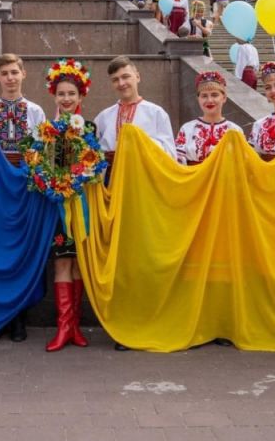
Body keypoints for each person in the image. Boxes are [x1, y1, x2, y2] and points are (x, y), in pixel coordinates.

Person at [93, 55, 176, 351]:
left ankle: (150, 319)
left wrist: (136, 141)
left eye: (126, 77)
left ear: (138, 76)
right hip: (116, 194)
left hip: (146, 195)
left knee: (145, 259)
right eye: (116, 80)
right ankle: (124, 323)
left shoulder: (155, 113)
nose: (122, 83)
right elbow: (99, 156)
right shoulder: (104, 116)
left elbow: (170, 152)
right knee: (121, 259)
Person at [0, 53, 46, 343]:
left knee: (23, 252)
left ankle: (20, 318)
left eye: (15, 72)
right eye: (5, 73)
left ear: (23, 74)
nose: (10, 78)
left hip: (26, 188)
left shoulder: (36, 111)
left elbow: (41, 149)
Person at [43, 58, 95, 352]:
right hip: (56, 207)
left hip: (83, 206)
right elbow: (39, 164)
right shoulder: (46, 130)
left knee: (78, 264)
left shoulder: (89, 128)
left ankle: (75, 326)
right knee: (62, 262)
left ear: (81, 96)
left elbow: (94, 164)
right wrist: (49, 182)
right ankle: (63, 328)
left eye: (71, 94)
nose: (66, 99)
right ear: (54, 96)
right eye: (61, 94)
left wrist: (81, 175)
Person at [176, 71, 243, 165]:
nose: (209, 100)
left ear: (224, 98)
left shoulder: (235, 130)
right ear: (198, 99)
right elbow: (178, 163)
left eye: (214, 95)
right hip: (195, 178)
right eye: (204, 96)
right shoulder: (187, 129)